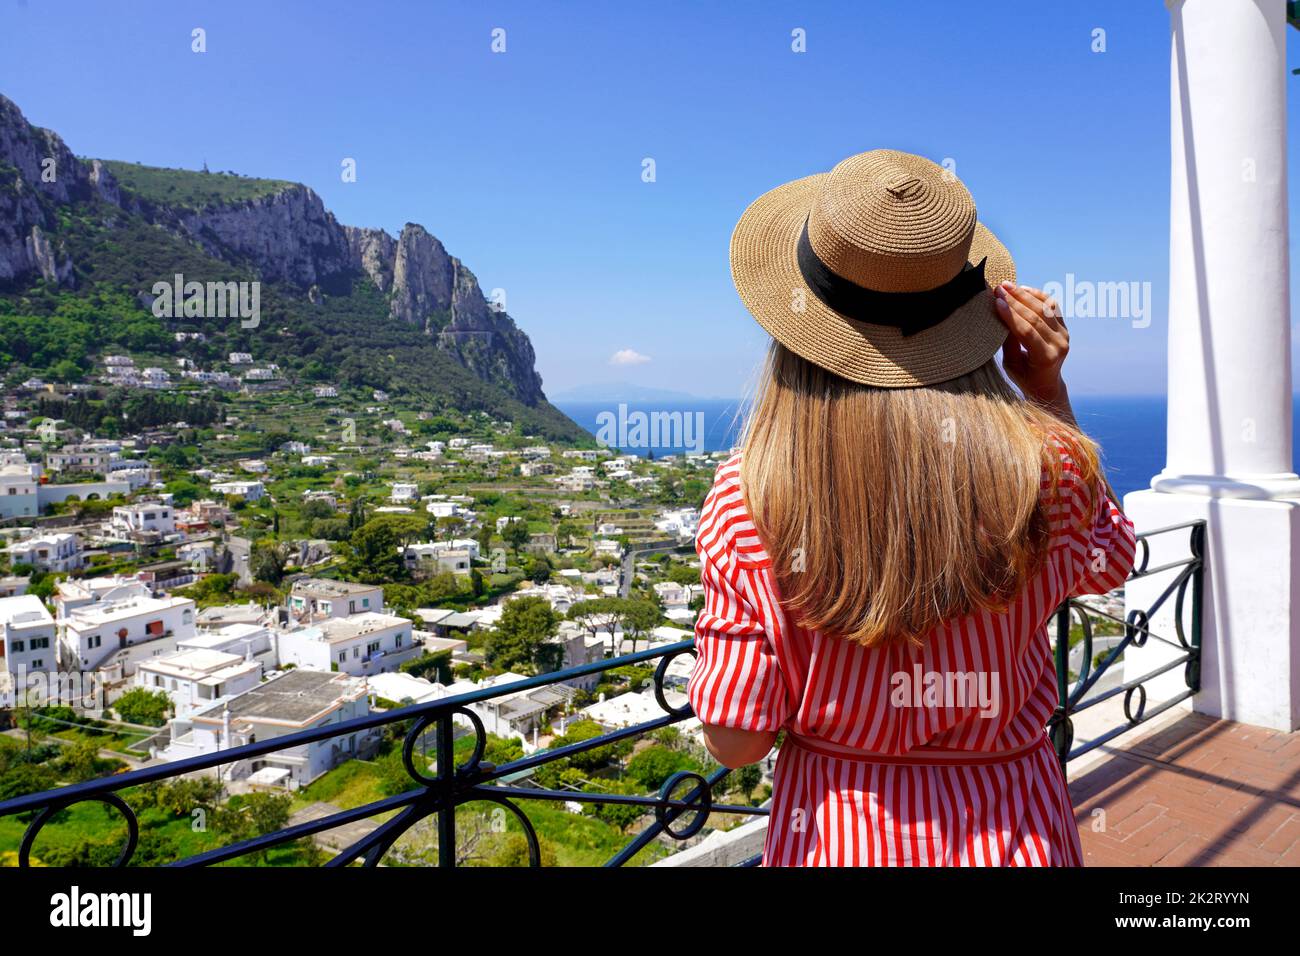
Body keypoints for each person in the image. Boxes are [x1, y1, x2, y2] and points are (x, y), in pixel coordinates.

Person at [687, 149, 1136, 866]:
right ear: (974, 314)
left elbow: (736, 739)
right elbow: (1111, 563)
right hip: (1018, 825)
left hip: (836, 834)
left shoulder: (752, 495)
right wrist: (1048, 396)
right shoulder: (1048, 468)